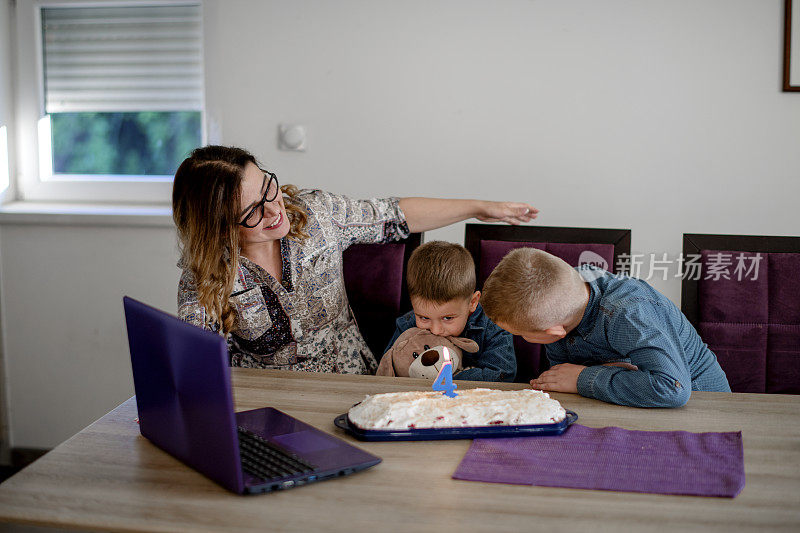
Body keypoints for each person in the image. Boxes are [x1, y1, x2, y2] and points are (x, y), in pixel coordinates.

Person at [172, 145, 537, 373]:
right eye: (253, 211)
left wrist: (478, 207)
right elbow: (196, 364)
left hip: (349, 384)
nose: (274, 210)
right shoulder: (207, 277)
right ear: (219, 228)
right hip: (268, 398)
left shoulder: (316, 214)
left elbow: (395, 215)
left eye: (269, 187)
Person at [480, 248, 730, 408]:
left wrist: (582, 378)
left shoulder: (630, 314)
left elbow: (671, 389)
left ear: (555, 332)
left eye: (521, 335)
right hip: (624, 399)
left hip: (702, 405)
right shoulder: (566, 293)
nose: (520, 339)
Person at [384, 241, 516, 382]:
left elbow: (502, 375)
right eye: (423, 317)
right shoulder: (407, 324)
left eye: (447, 318)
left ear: (472, 302)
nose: (435, 330)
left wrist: (443, 377)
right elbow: (388, 369)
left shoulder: (493, 326)